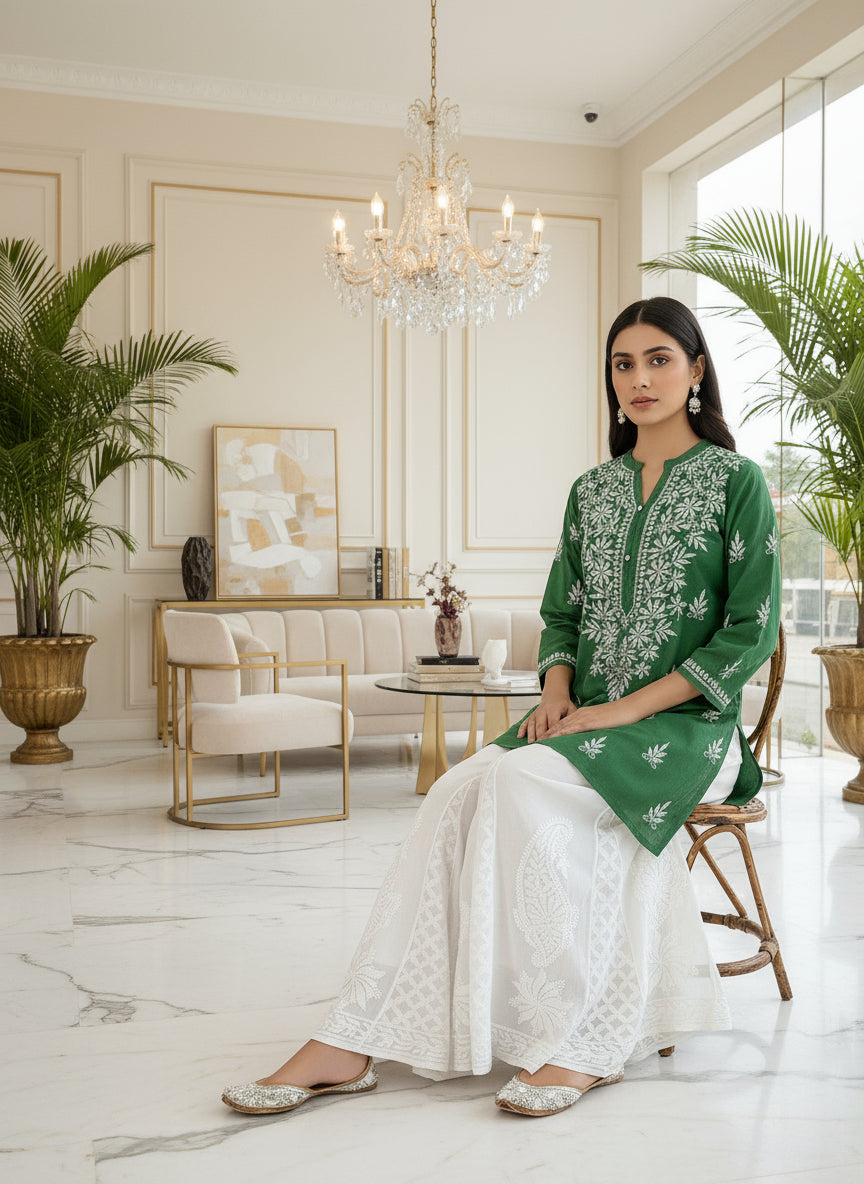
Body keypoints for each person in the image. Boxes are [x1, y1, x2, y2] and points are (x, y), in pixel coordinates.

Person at [221, 297, 781, 1119]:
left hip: (686, 728)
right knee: (454, 791)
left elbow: (751, 633)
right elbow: (562, 615)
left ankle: (579, 1039)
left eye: (659, 359)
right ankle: (355, 1035)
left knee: (521, 790)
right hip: (580, 719)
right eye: (623, 364)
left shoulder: (737, 484)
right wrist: (561, 694)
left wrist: (620, 713)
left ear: (697, 370)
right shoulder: (593, 491)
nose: (639, 379)